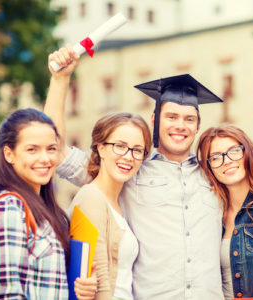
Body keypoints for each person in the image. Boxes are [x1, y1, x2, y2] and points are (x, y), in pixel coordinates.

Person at [45, 45, 225, 299]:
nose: (180, 126)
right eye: (171, 116)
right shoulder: (129, 171)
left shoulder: (216, 175)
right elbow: (58, 150)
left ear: (198, 126)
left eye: (189, 119)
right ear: (154, 120)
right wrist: (60, 80)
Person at [47, 46, 152, 300]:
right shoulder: (92, 199)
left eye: (138, 150)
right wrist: (60, 79)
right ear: (100, 149)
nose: (128, 156)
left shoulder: (121, 200)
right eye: (120, 146)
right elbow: (98, 283)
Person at [0, 108, 70, 299]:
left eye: (51, 148)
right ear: (9, 154)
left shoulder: (48, 210)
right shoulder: (9, 207)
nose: (45, 158)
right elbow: (7, 293)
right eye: (32, 149)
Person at [196, 124, 253, 299]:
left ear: (248, 153)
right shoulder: (210, 213)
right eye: (216, 157)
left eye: (234, 151)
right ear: (209, 167)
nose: (227, 161)